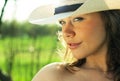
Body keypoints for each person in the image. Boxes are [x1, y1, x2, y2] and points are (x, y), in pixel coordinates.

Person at [29, 0, 120, 81]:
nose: (66, 32)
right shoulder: (52, 76)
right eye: (62, 22)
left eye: (77, 19)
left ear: (108, 21)